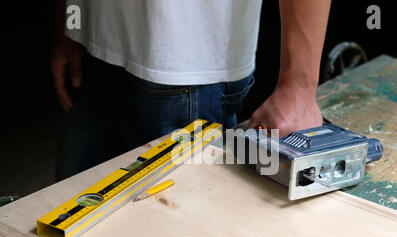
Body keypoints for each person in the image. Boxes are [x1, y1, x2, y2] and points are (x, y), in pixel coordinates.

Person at [51, 0, 331, 180]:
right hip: (96, 45)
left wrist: (299, 86)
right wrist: (71, 22)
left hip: (185, 70)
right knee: (67, 228)